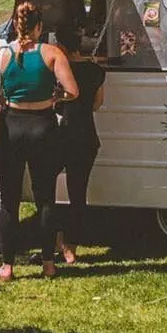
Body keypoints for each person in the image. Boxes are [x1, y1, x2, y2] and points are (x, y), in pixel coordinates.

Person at [0, 1, 77, 282]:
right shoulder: (52, 53)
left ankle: (8, 265)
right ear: (39, 27)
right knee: (45, 198)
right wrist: (54, 97)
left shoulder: (2, 56)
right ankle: (49, 263)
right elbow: (73, 91)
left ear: (15, 25)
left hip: (12, 126)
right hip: (43, 127)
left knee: (9, 200)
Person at [54, 29, 106, 265]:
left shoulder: (59, 71)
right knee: (78, 193)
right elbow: (97, 104)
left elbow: (54, 103)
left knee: (44, 188)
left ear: (62, 48)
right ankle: (70, 247)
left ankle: (54, 239)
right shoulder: (96, 71)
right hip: (86, 135)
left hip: (62, 134)